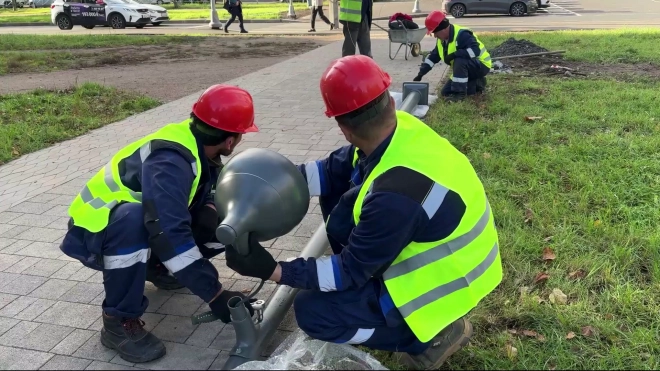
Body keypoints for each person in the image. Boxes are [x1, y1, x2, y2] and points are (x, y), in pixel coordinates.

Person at [224, 56, 503, 370]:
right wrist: (260, 189)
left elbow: (347, 272)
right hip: (450, 253)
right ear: (388, 100)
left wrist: (274, 269)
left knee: (312, 310)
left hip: (444, 286)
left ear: (343, 128)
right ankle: (391, 310)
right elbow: (327, 172)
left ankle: (430, 337)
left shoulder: (396, 195)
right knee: (342, 202)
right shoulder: (399, 130)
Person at [59, 85, 257, 363]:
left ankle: (158, 267)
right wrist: (216, 294)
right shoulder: (171, 160)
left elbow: (206, 192)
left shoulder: (200, 148)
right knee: (135, 223)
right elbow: (168, 231)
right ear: (230, 140)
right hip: (96, 230)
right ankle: (117, 321)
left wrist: (213, 211)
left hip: (132, 224)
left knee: (217, 216)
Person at [413, 11, 492, 102]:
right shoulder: (441, 40)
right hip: (468, 67)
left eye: (435, 33)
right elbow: (433, 58)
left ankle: (459, 95)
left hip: (481, 65)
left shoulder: (462, 35)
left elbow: (475, 51)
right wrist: (421, 74)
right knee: (445, 92)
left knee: (459, 60)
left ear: (443, 29)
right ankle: (477, 82)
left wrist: (454, 55)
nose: (435, 36)